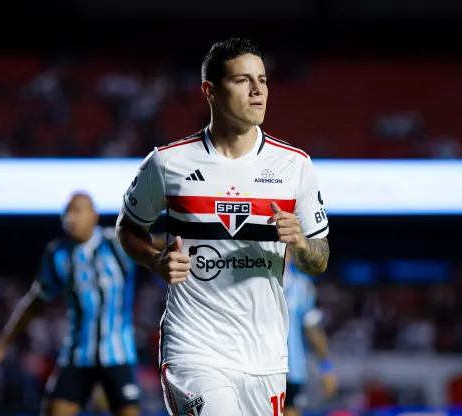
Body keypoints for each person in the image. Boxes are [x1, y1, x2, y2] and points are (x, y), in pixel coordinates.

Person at [115, 37, 331, 416]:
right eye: (242, 80)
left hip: (265, 357)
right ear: (210, 91)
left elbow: (320, 260)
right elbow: (128, 229)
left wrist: (299, 243)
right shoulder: (168, 163)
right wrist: (153, 260)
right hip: (193, 348)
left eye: (262, 80)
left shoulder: (295, 166)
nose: (257, 90)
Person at [0, 193, 140, 416]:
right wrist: (1, 346)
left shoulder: (117, 244)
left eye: (77, 211)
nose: (70, 218)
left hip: (119, 353)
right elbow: (36, 302)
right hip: (78, 353)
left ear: (94, 216)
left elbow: (158, 244)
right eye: (66, 212)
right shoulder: (57, 253)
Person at [283, 251, 338, 416]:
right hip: (253, 365)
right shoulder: (253, 283)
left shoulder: (301, 287)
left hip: (291, 370)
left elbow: (313, 331)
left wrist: (326, 368)